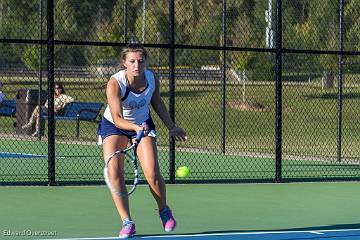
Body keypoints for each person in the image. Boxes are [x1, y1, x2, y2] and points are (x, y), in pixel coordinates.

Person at [98, 43, 187, 239]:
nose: (137, 65)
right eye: (132, 61)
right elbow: (118, 116)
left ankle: (164, 210)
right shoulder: (115, 83)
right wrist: (135, 127)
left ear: (145, 61)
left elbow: (156, 101)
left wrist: (171, 126)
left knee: (153, 173)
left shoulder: (152, 78)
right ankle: (127, 222)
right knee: (114, 172)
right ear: (124, 63)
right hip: (115, 125)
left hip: (143, 124)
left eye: (140, 61)